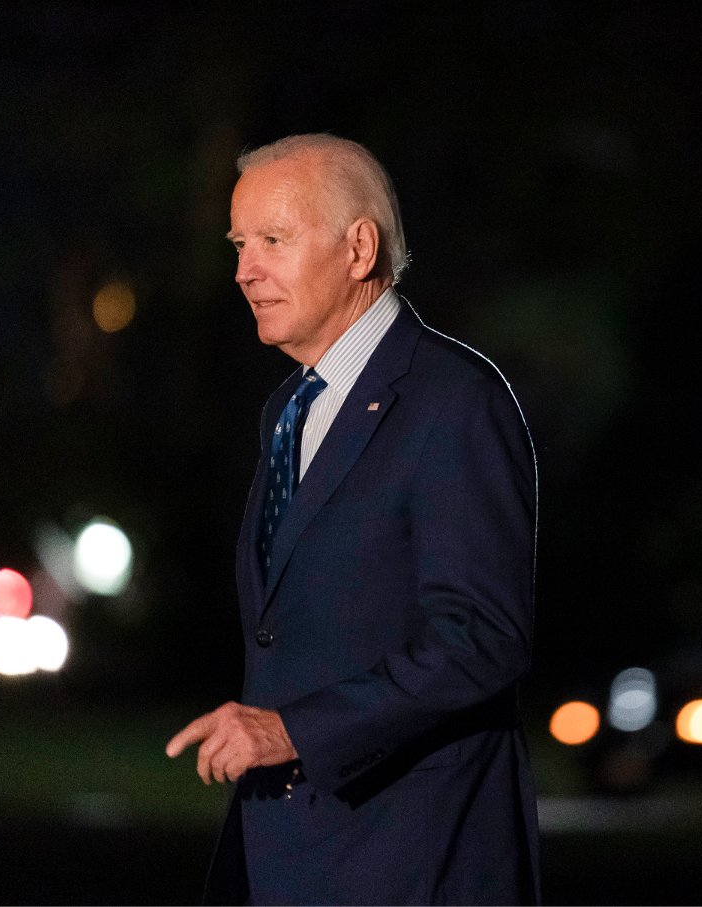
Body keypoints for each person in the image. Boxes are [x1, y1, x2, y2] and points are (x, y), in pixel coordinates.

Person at [166, 133, 541, 905]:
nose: (245, 270)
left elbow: (481, 638)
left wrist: (294, 730)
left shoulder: (454, 401)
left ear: (359, 246)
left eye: (273, 239)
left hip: (412, 858)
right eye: (240, 244)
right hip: (291, 854)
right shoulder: (287, 409)